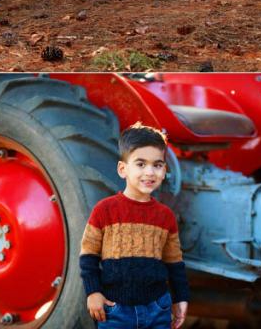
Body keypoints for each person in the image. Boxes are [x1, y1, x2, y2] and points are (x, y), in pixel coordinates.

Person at [79, 122, 189, 329]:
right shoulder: (104, 210)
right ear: (123, 169)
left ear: (164, 170)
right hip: (115, 311)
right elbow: (88, 256)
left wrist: (180, 298)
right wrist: (93, 292)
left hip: (158, 309)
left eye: (157, 165)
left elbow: (175, 263)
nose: (150, 172)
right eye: (140, 164)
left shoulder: (165, 216)